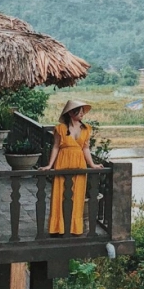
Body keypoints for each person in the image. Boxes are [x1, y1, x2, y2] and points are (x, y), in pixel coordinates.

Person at [39, 100, 103, 235]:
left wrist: (92, 164)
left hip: (79, 164)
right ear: (70, 113)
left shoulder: (86, 129)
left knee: (77, 195)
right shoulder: (60, 129)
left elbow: (85, 148)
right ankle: (57, 228)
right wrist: (50, 165)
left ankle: (74, 227)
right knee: (60, 195)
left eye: (82, 111)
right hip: (62, 163)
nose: (81, 114)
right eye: (78, 111)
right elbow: (55, 147)